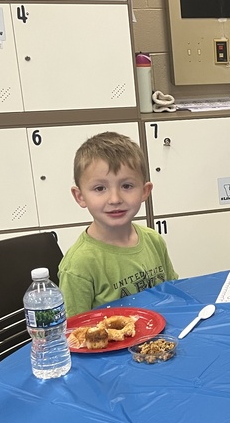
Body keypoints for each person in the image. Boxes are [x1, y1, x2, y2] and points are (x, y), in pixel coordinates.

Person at [59, 132, 177, 316]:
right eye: (100, 188)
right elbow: (74, 333)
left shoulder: (153, 240)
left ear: (145, 191)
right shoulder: (78, 265)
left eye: (127, 186)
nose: (115, 199)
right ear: (80, 196)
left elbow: (173, 295)